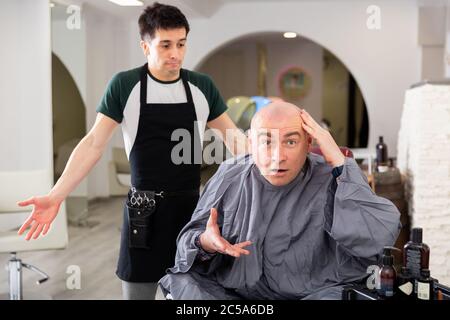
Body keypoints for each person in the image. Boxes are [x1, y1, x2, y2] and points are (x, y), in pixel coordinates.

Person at [16, 2, 246, 300]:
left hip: (192, 211)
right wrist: (56, 195)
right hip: (143, 214)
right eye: (165, 45)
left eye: (181, 44)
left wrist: (274, 165)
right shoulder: (125, 85)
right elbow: (93, 144)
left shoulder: (202, 86)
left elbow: (236, 141)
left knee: (194, 296)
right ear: (145, 46)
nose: (175, 53)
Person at [158, 101, 401, 300]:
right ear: (251, 144)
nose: (278, 157)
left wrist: (339, 161)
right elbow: (187, 246)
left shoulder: (332, 177)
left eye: (291, 142)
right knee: (185, 285)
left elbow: (378, 238)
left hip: (313, 293)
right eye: (266, 142)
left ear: (308, 143)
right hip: (234, 293)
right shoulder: (229, 175)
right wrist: (206, 242)